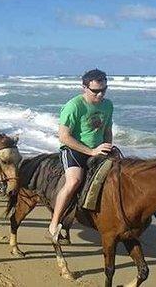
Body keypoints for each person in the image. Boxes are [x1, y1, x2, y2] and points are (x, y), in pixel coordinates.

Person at [48, 69, 113, 244]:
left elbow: (107, 130)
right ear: (84, 88)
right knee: (74, 182)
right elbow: (64, 136)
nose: (100, 95)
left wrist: (108, 147)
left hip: (98, 149)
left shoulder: (108, 105)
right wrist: (91, 151)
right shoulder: (74, 106)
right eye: (96, 91)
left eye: (104, 90)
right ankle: (54, 223)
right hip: (74, 148)